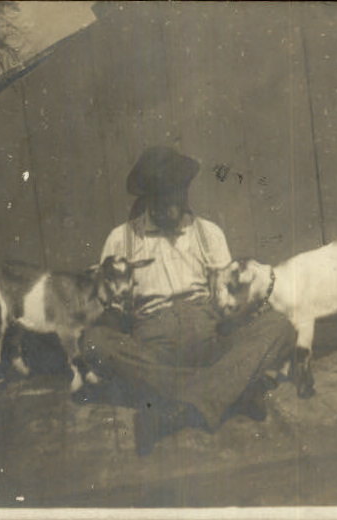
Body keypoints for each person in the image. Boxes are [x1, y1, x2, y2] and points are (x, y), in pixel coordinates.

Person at [81, 146, 297, 456]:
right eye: (159, 202)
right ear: (147, 198)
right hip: (154, 347)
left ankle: (176, 410)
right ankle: (231, 390)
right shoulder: (121, 239)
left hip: (210, 337)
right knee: (94, 342)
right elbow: (109, 307)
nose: (168, 211)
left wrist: (234, 313)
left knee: (279, 325)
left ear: (185, 194)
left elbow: (229, 304)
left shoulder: (209, 234)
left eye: (175, 201)